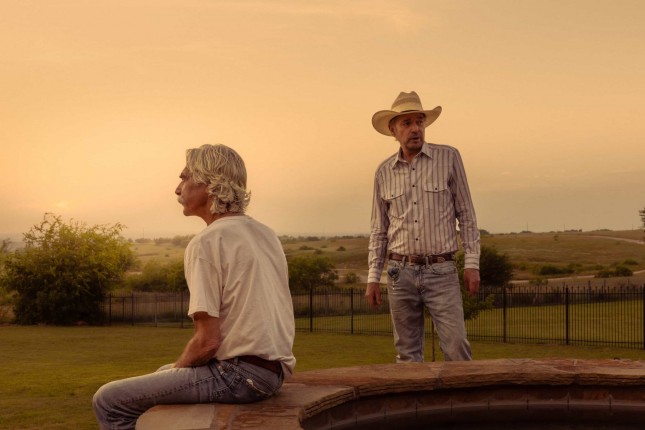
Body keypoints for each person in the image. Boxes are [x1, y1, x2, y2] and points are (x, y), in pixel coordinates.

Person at [93, 144, 296, 429]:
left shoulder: (207, 242)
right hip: (272, 374)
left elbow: (207, 342)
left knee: (109, 399)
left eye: (185, 178)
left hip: (237, 376)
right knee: (162, 373)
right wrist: (172, 373)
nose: (178, 189)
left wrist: (177, 371)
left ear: (210, 184)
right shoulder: (266, 234)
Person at [365, 91, 480, 362]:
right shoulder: (383, 172)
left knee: (456, 348)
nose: (415, 129)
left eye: (419, 122)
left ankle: (461, 392)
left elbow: (466, 214)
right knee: (407, 354)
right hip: (399, 273)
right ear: (393, 130)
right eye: (407, 123)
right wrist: (373, 277)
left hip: (441, 270)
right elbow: (379, 230)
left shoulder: (449, 158)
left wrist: (472, 262)